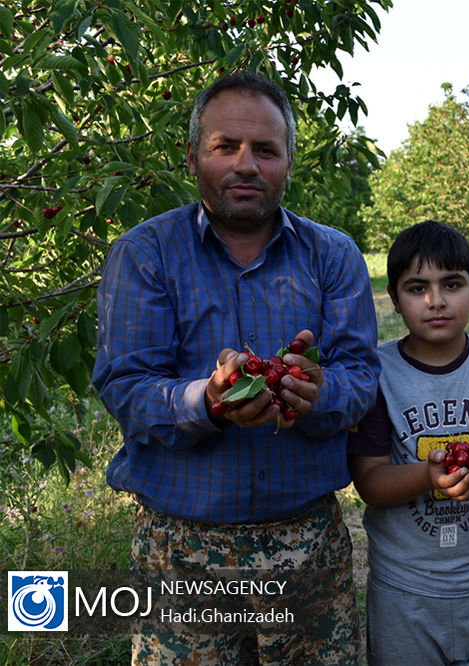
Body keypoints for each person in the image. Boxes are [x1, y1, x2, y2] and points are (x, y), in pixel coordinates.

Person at [92, 71, 379, 664]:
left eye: (266, 150)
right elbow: (126, 388)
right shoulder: (144, 255)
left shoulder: (334, 255)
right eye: (227, 146)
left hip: (306, 545)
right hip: (182, 548)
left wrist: (316, 392)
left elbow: (360, 375)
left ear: (289, 161)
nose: (246, 164)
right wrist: (209, 401)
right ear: (193, 154)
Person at [347, 220, 469, 666]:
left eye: (451, 284)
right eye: (417, 288)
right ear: (395, 299)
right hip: (404, 588)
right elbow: (370, 482)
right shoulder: (375, 373)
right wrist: (427, 475)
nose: (436, 301)